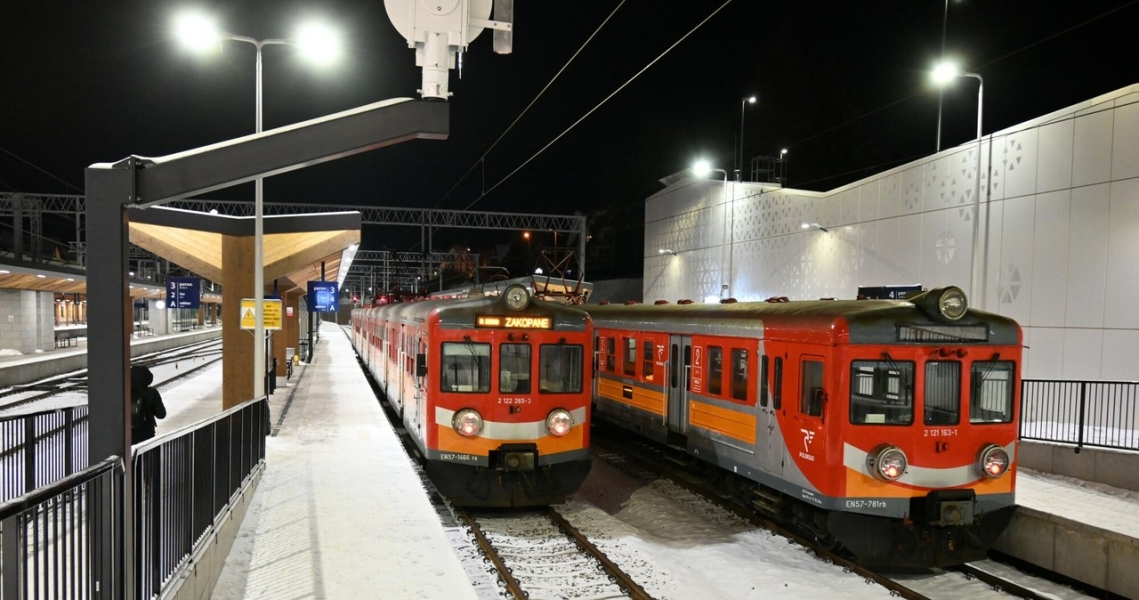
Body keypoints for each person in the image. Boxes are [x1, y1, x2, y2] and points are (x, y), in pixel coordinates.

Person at [130, 365, 167, 443]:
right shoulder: (152, 393)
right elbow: (161, 414)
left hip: (127, 437)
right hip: (146, 437)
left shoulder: (123, 392)